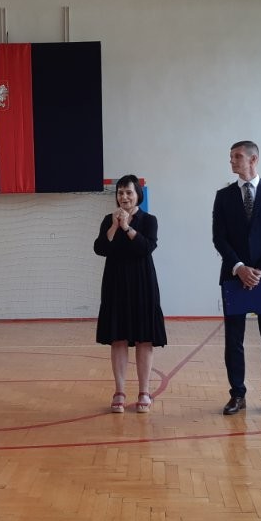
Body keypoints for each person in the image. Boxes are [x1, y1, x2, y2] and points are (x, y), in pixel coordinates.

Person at [211, 141, 261, 417]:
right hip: (234, 277)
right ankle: (237, 395)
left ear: (253, 159)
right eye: (231, 156)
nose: (232, 161)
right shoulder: (223, 196)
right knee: (234, 340)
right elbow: (219, 237)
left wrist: (260, 270)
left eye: (237, 156)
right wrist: (239, 267)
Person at [94, 175, 167, 414]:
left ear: (138, 195)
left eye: (128, 192)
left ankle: (144, 391)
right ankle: (119, 391)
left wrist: (127, 227)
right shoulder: (108, 220)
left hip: (142, 283)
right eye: (120, 192)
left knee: (144, 338)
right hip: (115, 283)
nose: (124, 197)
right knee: (118, 338)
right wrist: (115, 225)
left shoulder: (149, 220)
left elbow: (146, 247)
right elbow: (100, 248)